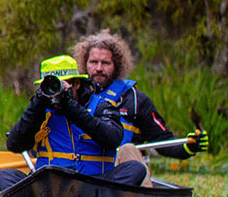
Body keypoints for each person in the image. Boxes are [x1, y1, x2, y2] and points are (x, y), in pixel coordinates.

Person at [0, 54, 147, 191]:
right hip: (50, 187)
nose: (56, 93)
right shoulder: (40, 110)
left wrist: (69, 105)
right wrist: (36, 104)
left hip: (95, 186)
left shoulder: (101, 106)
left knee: (135, 168)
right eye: (51, 86)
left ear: (77, 84)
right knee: (5, 175)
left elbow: (112, 139)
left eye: (63, 85)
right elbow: (15, 144)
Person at [73, 30, 210, 163]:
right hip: (84, 171)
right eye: (93, 62)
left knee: (127, 150)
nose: (99, 68)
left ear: (116, 65)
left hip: (125, 171)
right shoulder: (73, 96)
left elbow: (162, 141)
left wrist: (188, 146)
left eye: (105, 63)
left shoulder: (136, 100)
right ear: (84, 64)